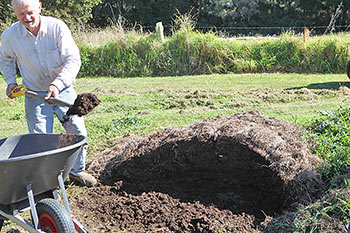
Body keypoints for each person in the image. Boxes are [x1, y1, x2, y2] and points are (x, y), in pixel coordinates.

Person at [0, 0, 97, 186]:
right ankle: (45, 181)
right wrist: (11, 81)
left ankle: (77, 172)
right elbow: (5, 59)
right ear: (15, 13)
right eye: (21, 15)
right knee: (40, 139)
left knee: (77, 131)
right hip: (34, 94)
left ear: (39, 7)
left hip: (63, 91)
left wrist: (58, 84)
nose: (27, 18)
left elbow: (73, 59)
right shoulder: (10, 36)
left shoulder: (57, 28)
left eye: (29, 12)